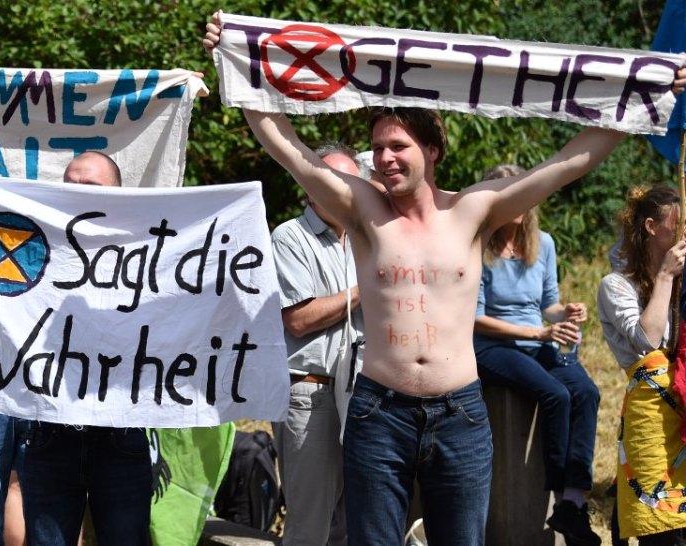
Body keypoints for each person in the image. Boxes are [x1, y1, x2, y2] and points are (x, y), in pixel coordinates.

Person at [203, 16, 686, 545]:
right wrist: (238, 65)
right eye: (379, 147)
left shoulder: (472, 210)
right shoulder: (365, 209)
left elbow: (565, 164)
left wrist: (640, 102)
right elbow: (288, 149)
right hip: (378, 410)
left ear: (432, 151)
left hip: (459, 412)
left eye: (398, 146)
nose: (384, 158)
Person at [0, 151, 152, 546]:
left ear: (119, 194)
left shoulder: (149, 251)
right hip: (51, 434)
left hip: (120, 433)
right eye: (70, 183)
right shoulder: (30, 243)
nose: (77, 192)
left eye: (91, 186)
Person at [473, 165, 600, 546]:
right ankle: (558, 495)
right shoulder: (476, 246)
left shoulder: (542, 243)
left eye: (522, 192)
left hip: (537, 340)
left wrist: (569, 312)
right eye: (507, 193)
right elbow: (475, 319)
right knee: (556, 394)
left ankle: (571, 504)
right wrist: (538, 331)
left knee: (586, 392)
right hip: (491, 347)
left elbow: (549, 304)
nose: (516, 201)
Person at [270, 142, 367, 546]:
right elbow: (298, 318)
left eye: (352, 184)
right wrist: (367, 288)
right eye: (334, 182)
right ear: (309, 188)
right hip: (312, 394)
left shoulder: (366, 238)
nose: (345, 192)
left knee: (350, 524)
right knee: (309, 529)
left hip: (363, 393)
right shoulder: (290, 237)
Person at [598, 186, 686, 544]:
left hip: (683, 410)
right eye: (677, 225)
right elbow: (646, 340)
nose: (683, 233)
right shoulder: (616, 285)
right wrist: (665, 277)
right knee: (662, 530)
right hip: (650, 418)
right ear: (651, 227)